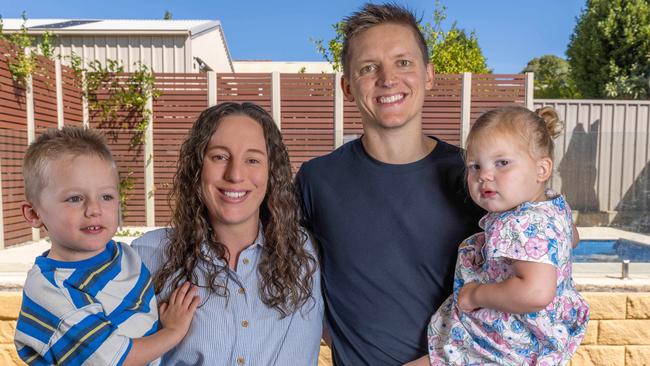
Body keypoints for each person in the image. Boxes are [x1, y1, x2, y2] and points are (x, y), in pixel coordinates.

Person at [295, 3, 485, 365]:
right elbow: (282, 271)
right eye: (369, 68)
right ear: (347, 86)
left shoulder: (475, 176)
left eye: (403, 62)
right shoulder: (316, 181)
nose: (387, 79)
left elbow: (528, 283)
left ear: (429, 74)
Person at [132, 102, 323, 365]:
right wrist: (166, 336)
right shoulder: (148, 255)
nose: (235, 174)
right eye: (220, 156)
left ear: (272, 172)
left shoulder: (308, 253)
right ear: (198, 166)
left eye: (252, 160)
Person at [407, 107, 589, 365]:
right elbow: (572, 238)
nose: (484, 175)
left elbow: (536, 292)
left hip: (503, 347)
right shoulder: (552, 206)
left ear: (542, 169)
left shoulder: (520, 223)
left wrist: (475, 295)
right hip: (531, 343)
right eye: (475, 166)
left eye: (502, 163)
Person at [14, 127, 199, 366]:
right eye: (75, 198)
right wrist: (173, 331)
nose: (94, 209)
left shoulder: (124, 255)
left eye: (106, 197)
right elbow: (115, 360)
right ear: (34, 213)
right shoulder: (52, 289)